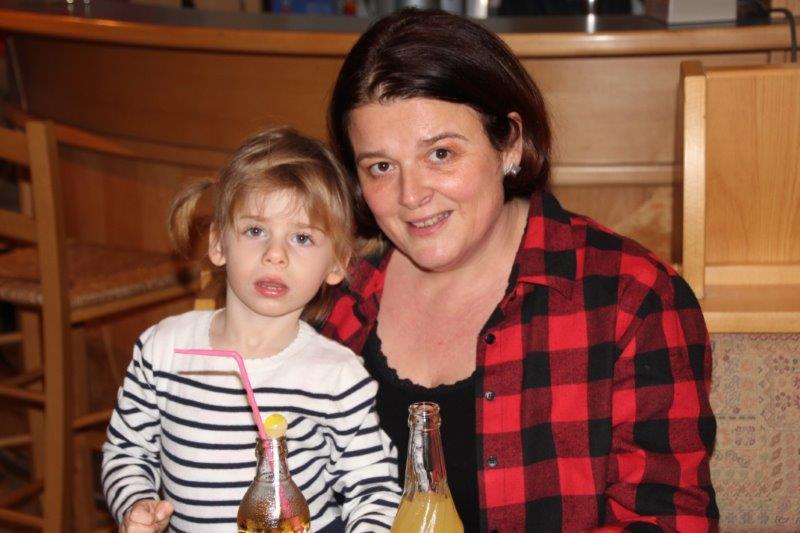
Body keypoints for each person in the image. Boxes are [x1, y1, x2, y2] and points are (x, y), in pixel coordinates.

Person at [322, 8, 718, 532]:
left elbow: (668, 521)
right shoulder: (335, 301)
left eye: (440, 154)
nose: (410, 195)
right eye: (380, 166)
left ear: (509, 143)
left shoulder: (632, 299)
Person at [101, 127, 402, 532]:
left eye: (302, 238)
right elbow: (127, 451)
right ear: (219, 243)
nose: (275, 254)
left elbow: (374, 490)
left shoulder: (338, 376)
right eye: (256, 231)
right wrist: (134, 504)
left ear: (336, 263)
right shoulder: (162, 350)